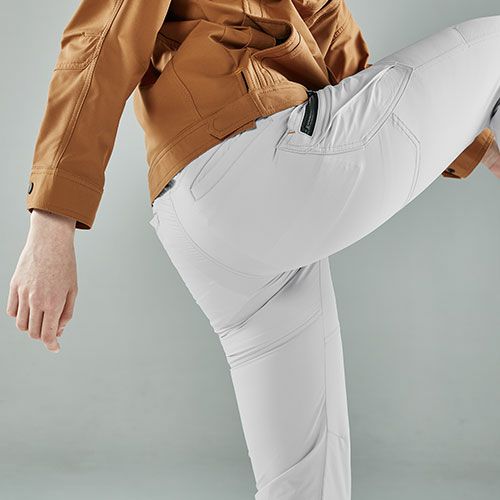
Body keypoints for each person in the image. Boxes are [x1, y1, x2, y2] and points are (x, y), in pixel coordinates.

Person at [6, 1, 500, 498]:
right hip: (251, 159)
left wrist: (472, 139)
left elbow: (341, 53)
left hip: (203, 214)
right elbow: (102, 43)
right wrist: (51, 222)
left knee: (307, 482)